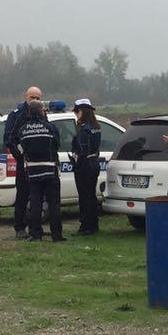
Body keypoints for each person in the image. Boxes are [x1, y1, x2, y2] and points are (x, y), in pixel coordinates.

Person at [16, 99, 63, 242]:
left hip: (32, 170)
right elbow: (57, 145)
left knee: (35, 204)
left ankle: (35, 234)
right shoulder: (50, 128)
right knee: (53, 203)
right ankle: (57, 235)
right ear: (42, 111)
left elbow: (20, 147)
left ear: (29, 112)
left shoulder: (23, 129)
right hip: (49, 169)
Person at [3, 85, 43, 239]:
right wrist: (20, 155)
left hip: (40, 163)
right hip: (24, 163)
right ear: (26, 97)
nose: (34, 100)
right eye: (32, 97)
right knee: (22, 196)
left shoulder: (42, 115)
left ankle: (35, 228)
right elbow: (9, 139)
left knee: (37, 197)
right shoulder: (16, 116)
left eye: (37, 98)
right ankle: (19, 227)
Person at [71, 99, 102, 236]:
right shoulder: (96, 126)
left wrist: (77, 161)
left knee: (84, 197)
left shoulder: (84, 129)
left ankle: (85, 226)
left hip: (84, 166)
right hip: (94, 162)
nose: (76, 114)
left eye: (77, 111)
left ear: (82, 111)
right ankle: (93, 225)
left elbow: (83, 151)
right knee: (91, 196)